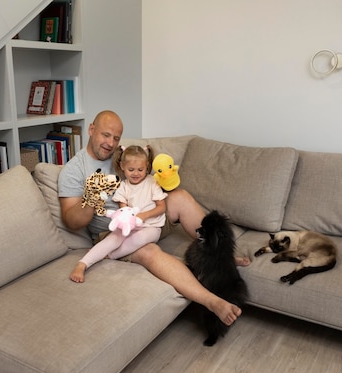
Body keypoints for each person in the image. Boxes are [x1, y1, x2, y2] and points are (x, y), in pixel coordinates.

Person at [58, 110, 248, 326]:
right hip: (118, 231)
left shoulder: (121, 157)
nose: (110, 143)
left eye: (116, 138)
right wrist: (92, 198)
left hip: (149, 218)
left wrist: (164, 181)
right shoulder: (74, 170)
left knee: (181, 197)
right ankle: (212, 302)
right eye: (105, 135)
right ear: (91, 130)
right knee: (149, 251)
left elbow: (147, 176)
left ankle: (221, 254)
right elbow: (71, 222)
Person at [70, 145, 167, 283]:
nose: (136, 173)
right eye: (131, 169)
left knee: (140, 238)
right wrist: (127, 220)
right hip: (130, 225)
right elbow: (123, 210)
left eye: (140, 170)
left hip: (151, 226)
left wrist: (143, 216)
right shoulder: (123, 186)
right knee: (114, 237)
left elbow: (161, 207)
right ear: (122, 166)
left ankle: (110, 255)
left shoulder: (152, 182)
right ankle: (83, 263)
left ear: (147, 166)